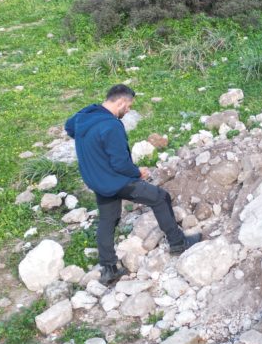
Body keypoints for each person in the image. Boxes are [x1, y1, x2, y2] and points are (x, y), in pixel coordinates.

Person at [65, 84, 200, 285]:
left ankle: (109, 269)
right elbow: (120, 163)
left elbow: (69, 127)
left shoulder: (84, 116)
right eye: (128, 106)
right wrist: (138, 172)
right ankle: (178, 243)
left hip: (96, 180)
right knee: (160, 197)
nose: (128, 111)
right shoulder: (111, 126)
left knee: (107, 220)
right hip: (115, 181)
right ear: (121, 102)